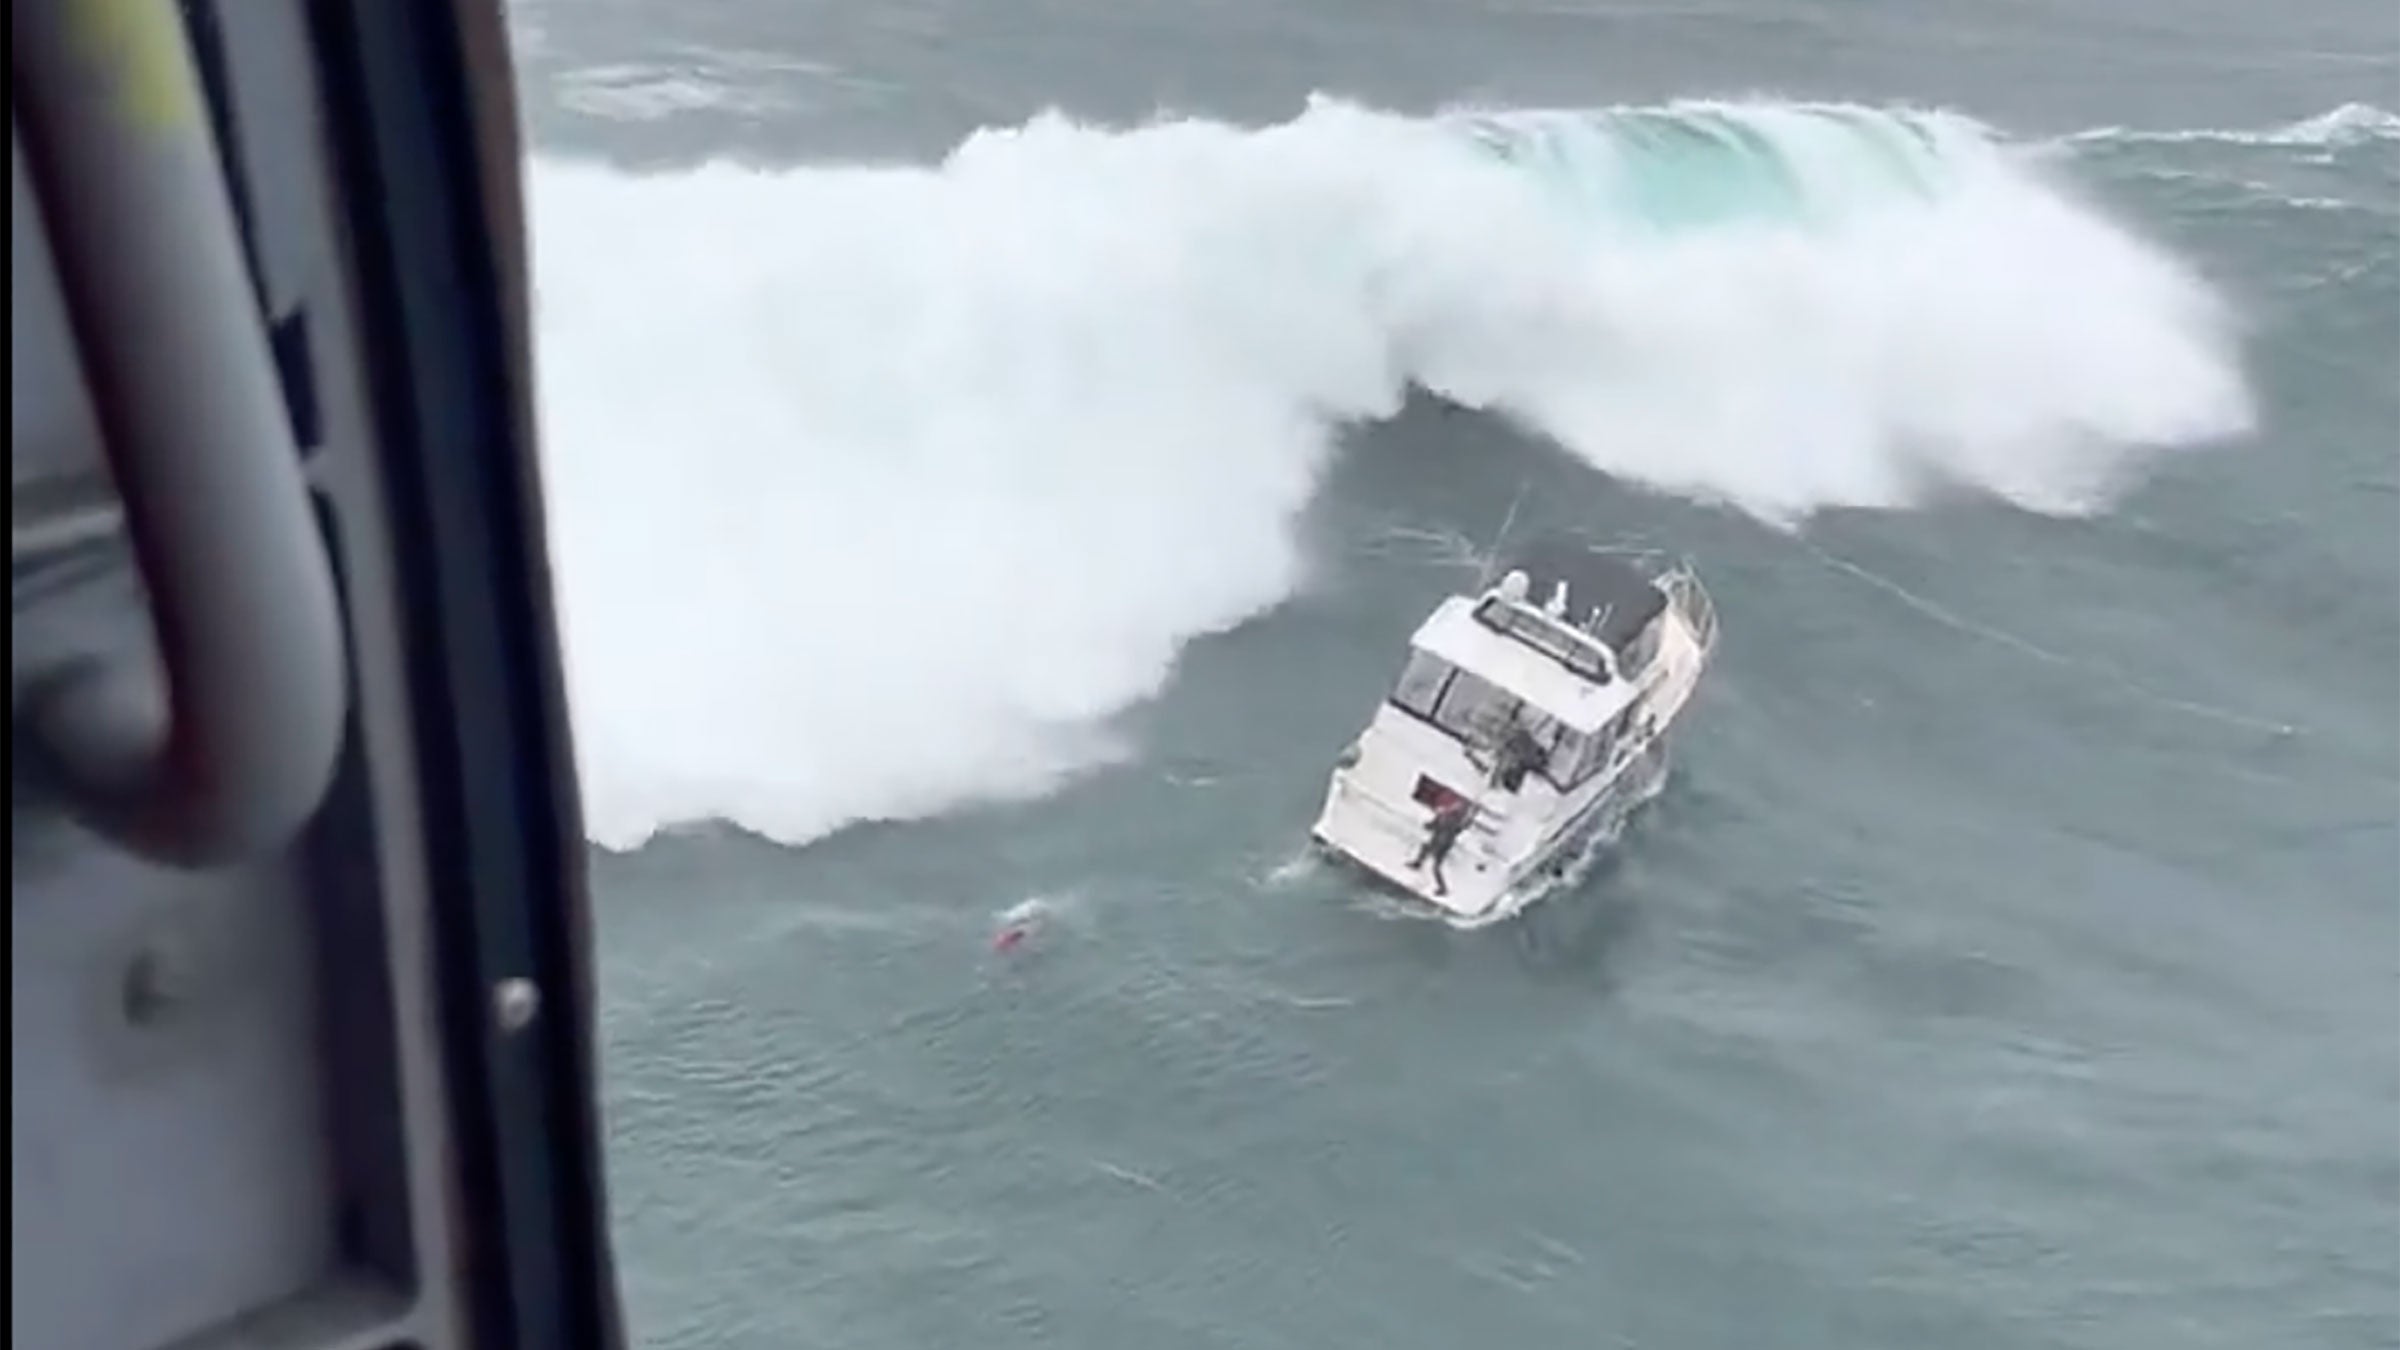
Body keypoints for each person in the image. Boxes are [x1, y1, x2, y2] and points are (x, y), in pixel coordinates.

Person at [1408, 795, 1475, 897]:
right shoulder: (1449, 818)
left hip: (1442, 843)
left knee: (1435, 864)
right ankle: (1418, 864)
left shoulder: (1448, 818)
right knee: (1428, 852)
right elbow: (1435, 825)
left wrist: (1429, 825)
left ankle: (1442, 887)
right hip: (1441, 842)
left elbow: (1434, 825)